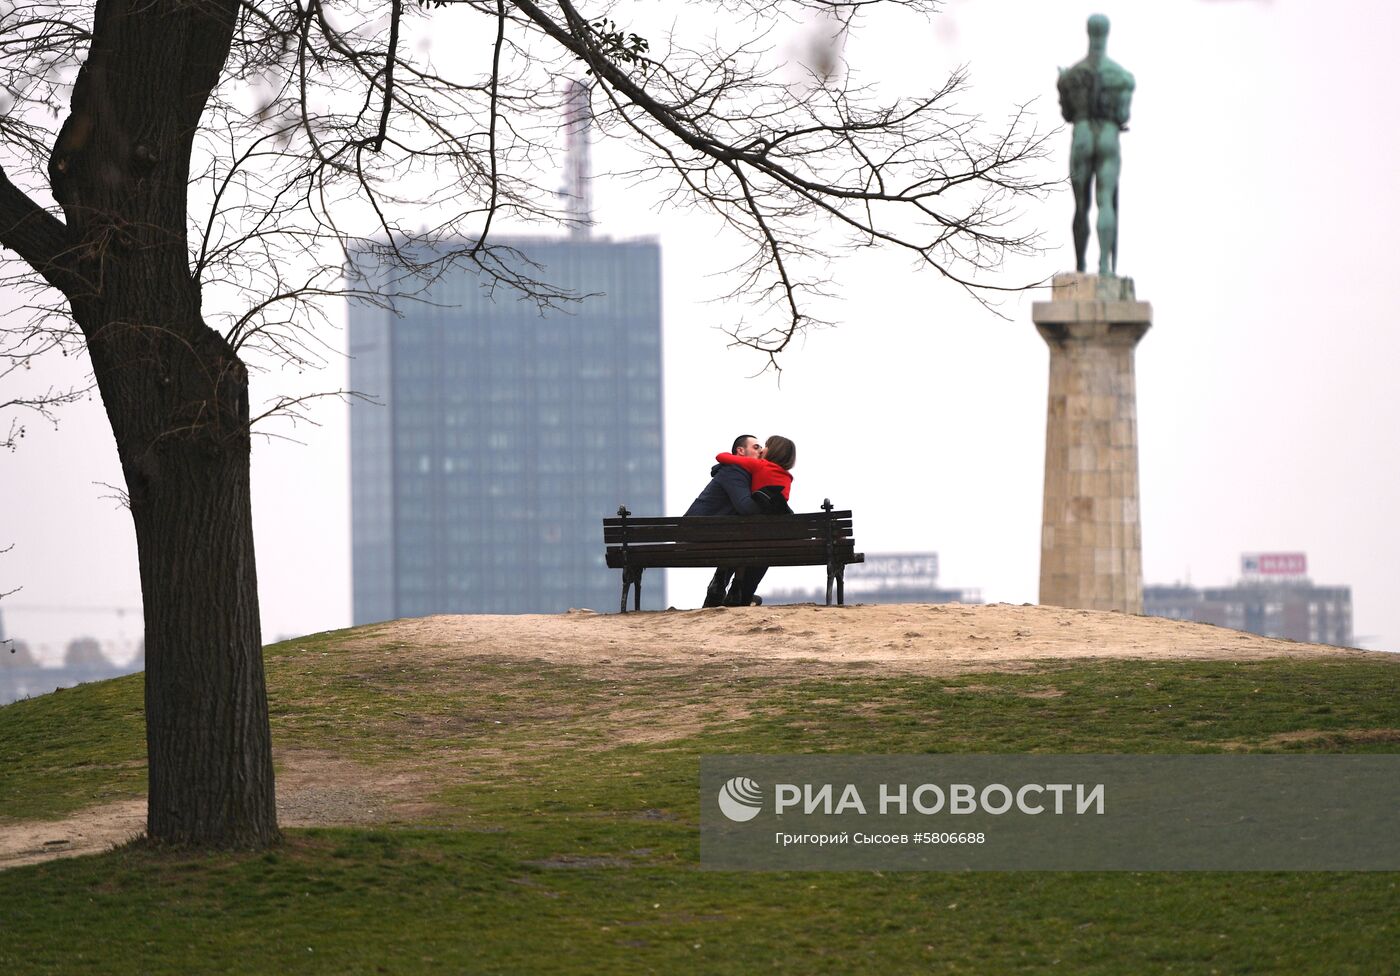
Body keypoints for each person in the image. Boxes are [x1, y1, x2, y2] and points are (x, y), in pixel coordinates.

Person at [1057, 13, 1135, 276]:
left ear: (1088, 32)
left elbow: (1067, 113)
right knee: (1105, 201)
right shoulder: (1122, 77)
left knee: (1081, 206)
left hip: (1082, 134)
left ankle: (1080, 265)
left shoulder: (1071, 76)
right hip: (1108, 136)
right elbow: (1123, 115)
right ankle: (1104, 265)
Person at [684, 434, 764, 607]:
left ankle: (722, 589)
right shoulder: (734, 471)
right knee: (759, 548)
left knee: (743, 540)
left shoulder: (742, 473)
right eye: (756, 447)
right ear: (740, 451)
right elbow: (745, 507)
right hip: (696, 535)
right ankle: (739, 594)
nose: (761, 450)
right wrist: (767, 504)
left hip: (708, 533)